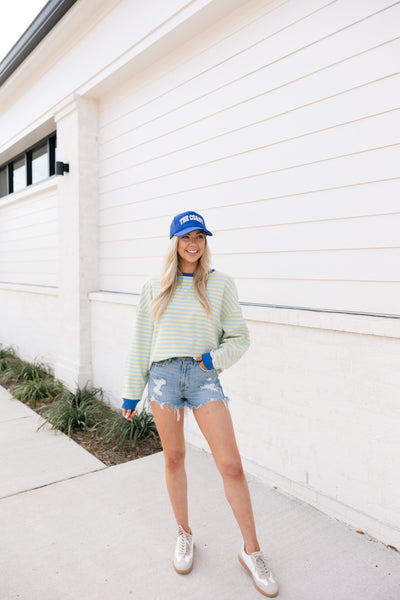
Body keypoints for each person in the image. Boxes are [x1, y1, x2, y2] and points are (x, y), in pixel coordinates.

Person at [121, 210, 279, 598]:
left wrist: (212, 360)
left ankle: (252, 551)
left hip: (204, 377)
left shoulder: (221, 284)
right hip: (162, 379)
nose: (193, 244)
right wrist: (131, 391)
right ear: (173, 241)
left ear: (206, 242)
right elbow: (141, 340)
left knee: (231, 465)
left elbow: (239, 337)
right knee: (174, 458)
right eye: (186, 237)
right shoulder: (154, 286)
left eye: (200, 237)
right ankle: (184, 534)